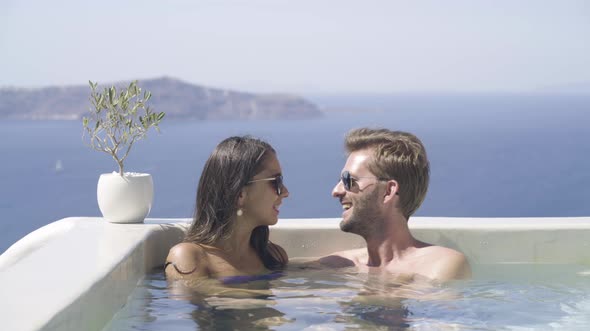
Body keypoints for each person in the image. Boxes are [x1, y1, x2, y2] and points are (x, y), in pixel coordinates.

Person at [319, 128, 471, 282]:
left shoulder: (440, 264)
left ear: (388, 190)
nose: (336, 191)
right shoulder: (336, 264)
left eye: (348, 180)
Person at [165, 136, 289, 285]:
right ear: (239, 194)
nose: (285, 192)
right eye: (276, 182)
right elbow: (193, 295)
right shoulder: (189, 258)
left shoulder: (274, 257)